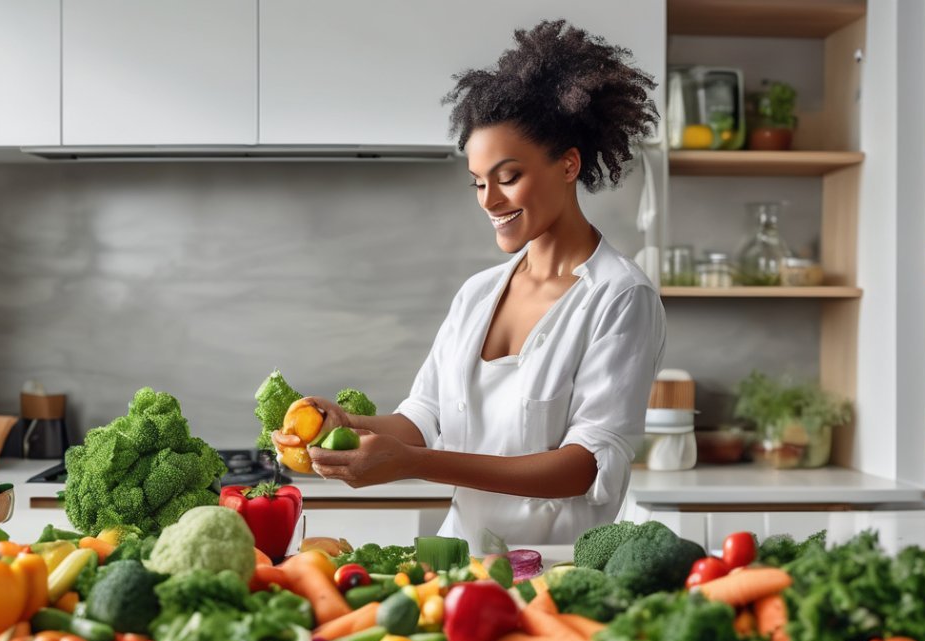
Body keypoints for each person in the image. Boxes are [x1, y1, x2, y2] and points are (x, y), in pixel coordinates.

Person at [273, 20, 666, 553]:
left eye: (507, 178)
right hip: (458, 564)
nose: (488, 200)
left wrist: (414, 465)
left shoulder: (619, 297)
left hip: (556, 571)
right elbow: (425, 416)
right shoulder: (479, 293)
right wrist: (345, 423)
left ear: (569, 164)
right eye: (479, 182)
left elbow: (583, 466)